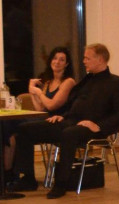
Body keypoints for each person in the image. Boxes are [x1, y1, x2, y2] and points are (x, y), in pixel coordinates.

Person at [10, 43, 119, 199]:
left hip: (92, 127)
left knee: (69, 134)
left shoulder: (116, 82)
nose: (84, 61)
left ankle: (61, 184)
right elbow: (74, 104)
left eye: (87, 58)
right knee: (24, 129)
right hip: (71, 122)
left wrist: (98, 126)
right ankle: (28, 179)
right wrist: (63, 116)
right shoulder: (87, 80)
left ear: (100, 59)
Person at [3, 46, 76, 186]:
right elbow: (40, 109)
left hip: (59, 121)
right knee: (8, 125)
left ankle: (23, 176)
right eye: (55, 58)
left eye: (62, 60)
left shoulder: (68, 82)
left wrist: (39, 92)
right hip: (45, 118)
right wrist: (32, 92)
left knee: (21, 128)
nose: (57, 62)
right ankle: (9, 173)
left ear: (67, 64)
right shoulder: (48, 82)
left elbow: (52, 106)